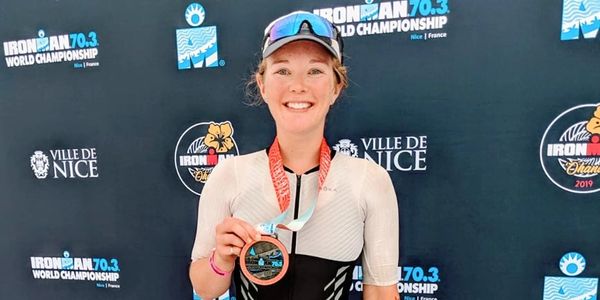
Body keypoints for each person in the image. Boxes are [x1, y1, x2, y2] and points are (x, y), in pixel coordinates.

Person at [189, 11, 399, 300]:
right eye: (283, 71)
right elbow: (203, 287)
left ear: (336, 87)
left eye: (315, 71)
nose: (298, 85)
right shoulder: (229, 175)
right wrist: (221, 260)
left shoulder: (368, 180)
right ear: (262, 85)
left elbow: (381, 292)